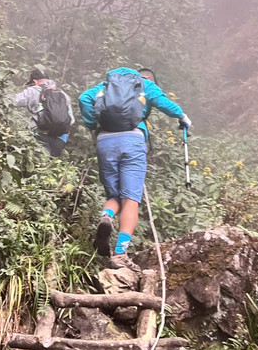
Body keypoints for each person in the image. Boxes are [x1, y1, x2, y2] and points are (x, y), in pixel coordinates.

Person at [79, 67, 192, 270]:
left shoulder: (107, 85)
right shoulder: (145, 85)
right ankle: (120, 253)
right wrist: (181, 115)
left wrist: (92, 123)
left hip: (105, 140)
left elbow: (84, 98)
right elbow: (163, 103)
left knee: (114, 195)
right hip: (132, 139)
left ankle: (106, 216)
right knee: (130, 199)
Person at [13, 67, 74, 158]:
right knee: (51, 166)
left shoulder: (32, 91)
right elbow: (71, 120)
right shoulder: (63, 94)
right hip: (61, 138)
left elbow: (12, 101)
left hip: (40, 135)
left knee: (38, 166)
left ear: (35, 81)